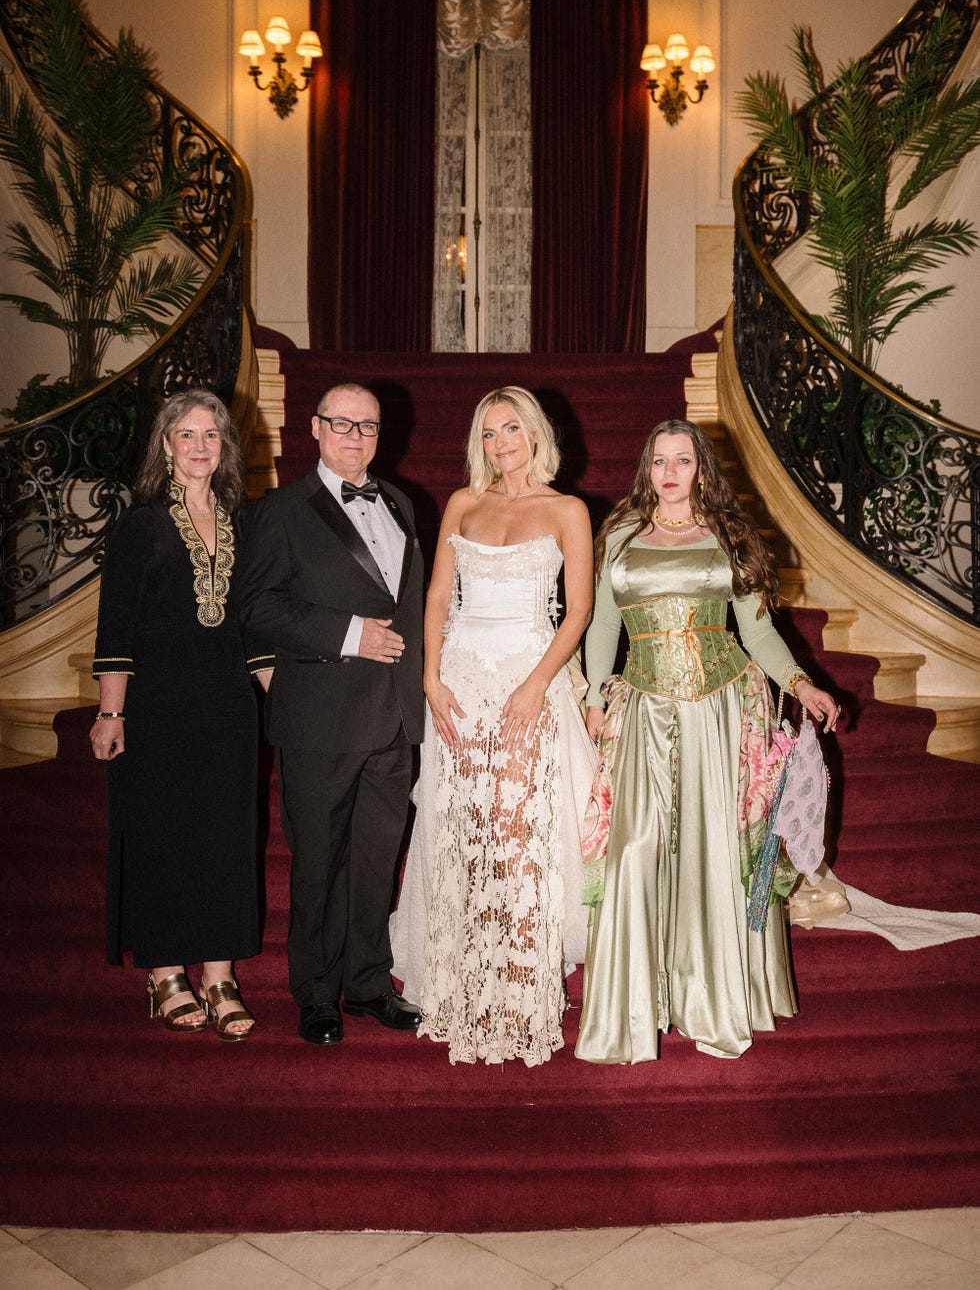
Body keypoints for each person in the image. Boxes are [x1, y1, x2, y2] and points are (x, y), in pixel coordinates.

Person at [575, 418, 840, 1064]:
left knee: (716, 850)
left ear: (701, 470)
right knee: (637, 848)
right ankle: (635, 1008)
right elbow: (602, 625)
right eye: (659, 461)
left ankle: (714, 998)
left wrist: (802, 684)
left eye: (683, 461)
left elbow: (759, 634)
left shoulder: (728, 537)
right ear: (645, 469)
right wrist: (592, 697)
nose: (670, 473)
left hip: (721, 712)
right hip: (642, 710)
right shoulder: (618, 537)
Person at [390, 388, 597, 1065]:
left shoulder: (568, 510)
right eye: (487, 432)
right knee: (460, 827)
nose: (501, 441)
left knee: (516, 832)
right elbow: (436, 597)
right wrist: (430, 678)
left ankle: (516, 990)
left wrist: (536, 685)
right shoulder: (462, 504)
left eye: (512, 428)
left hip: (526, 680)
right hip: (458, 684)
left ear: (536, 434)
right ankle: (461, 980)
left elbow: (578, 614)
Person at [239, 383, 424, 1045]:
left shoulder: (401, 503)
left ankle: (371, 984)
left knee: (378, 860)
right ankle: (317, 996)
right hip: (319, 716)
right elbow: (255, 608)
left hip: (394, 720)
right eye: (341, 424)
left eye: (367, 426)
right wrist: (350, 634)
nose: (355, 436)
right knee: (318, 865)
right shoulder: (281, 510)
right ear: (314, 428)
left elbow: (412, 610)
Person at [91, 389, 268, 1040]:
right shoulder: (139, 527)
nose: (200, 446)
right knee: (163, 837)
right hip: (157, 705)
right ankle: (165, 973)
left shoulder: (242, 523)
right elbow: (118, 629)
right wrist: (113, 712)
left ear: (224, 448)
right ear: (165, 446)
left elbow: (254, 625)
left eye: (211, 436)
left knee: (225, 839)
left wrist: (281, 698)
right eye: (186, 434)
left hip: (227, 706)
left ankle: (220, 976)